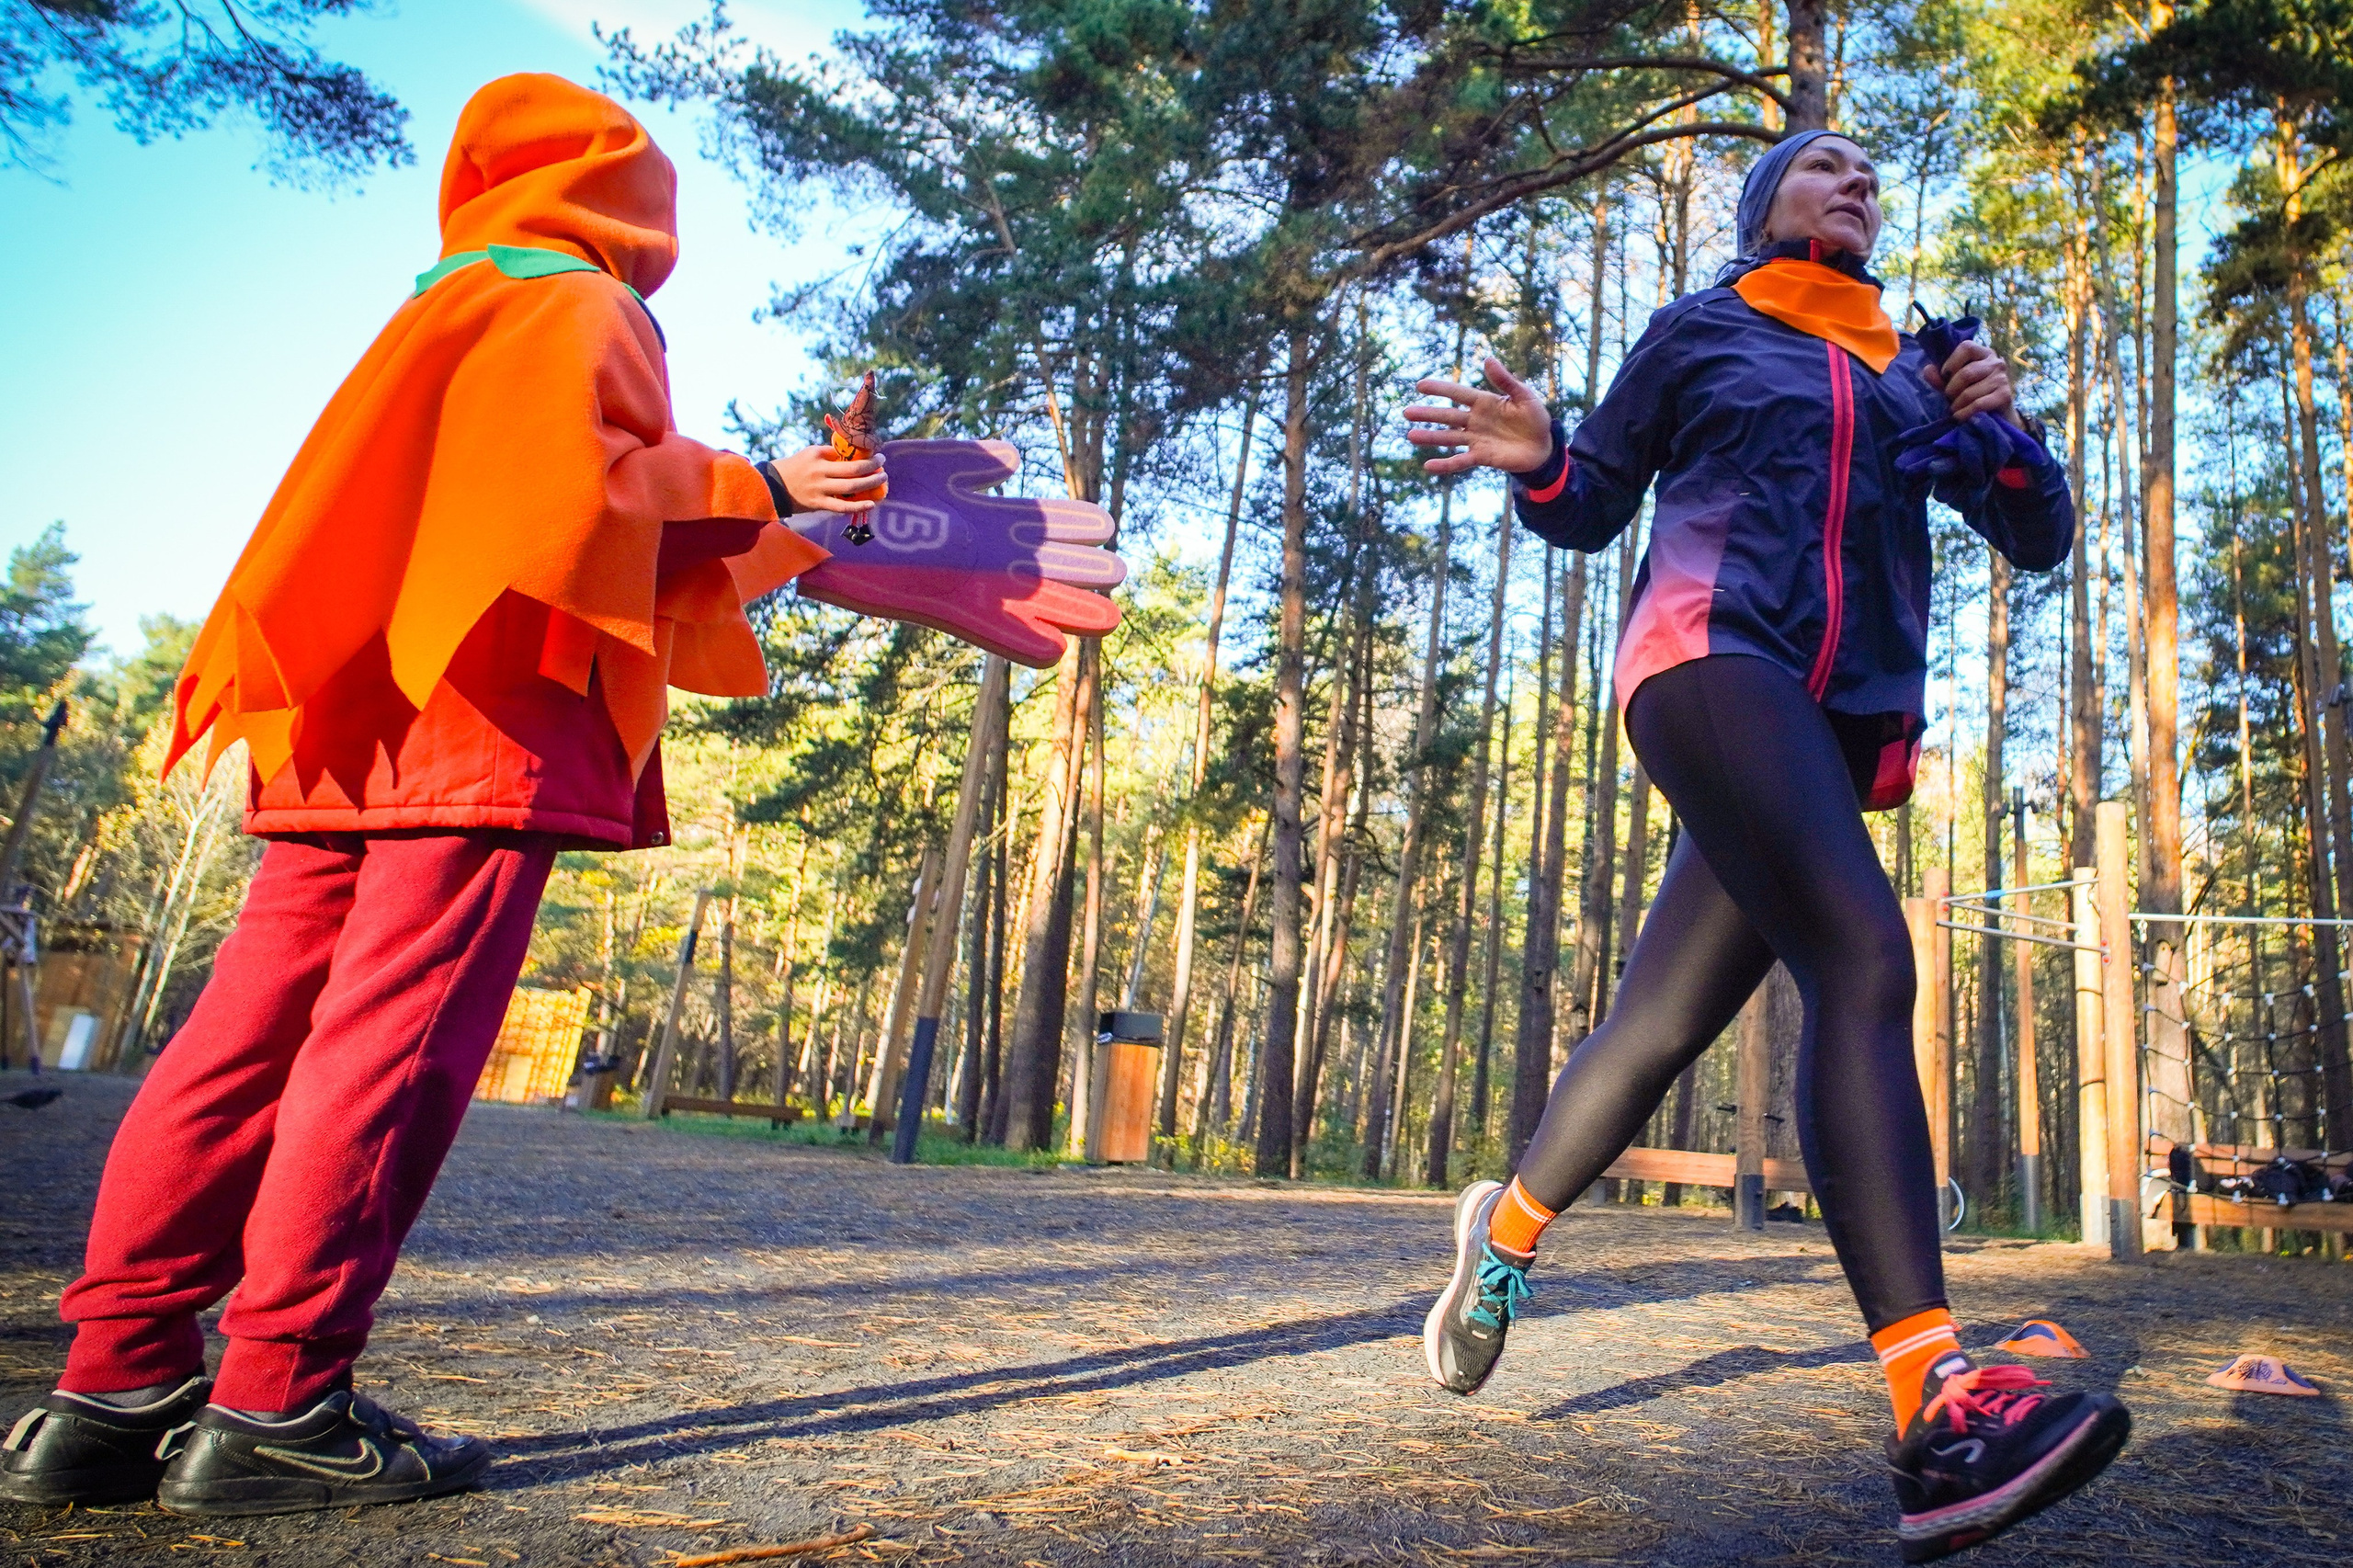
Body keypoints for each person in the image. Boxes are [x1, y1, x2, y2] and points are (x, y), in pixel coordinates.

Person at [0, 74, 1119, 1519]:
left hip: (344, 715)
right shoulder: (578, 309)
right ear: (627, 203)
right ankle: (277, 1397)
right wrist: (762, 475)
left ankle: (111, 1384)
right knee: (388, 1051)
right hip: (481, 716)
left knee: (242, 1040)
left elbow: (542, 522)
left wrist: (787, 521)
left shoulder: (429, 315)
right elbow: (579, 517)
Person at [1402, 130, 2127, 1563]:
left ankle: (1505, 1237)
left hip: (1831, 728)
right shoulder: (1705, 328)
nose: (1854, 183)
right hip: (1708, 660)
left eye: (1868, 175)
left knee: (1663, 1019)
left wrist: (2008, 427)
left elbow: (2036, 533)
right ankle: (1937, 1405)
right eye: (1823, 167)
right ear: (1765, 206)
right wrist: (1542, 458)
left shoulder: (1916, 373)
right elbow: (1594, 494)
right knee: (1863, 956)